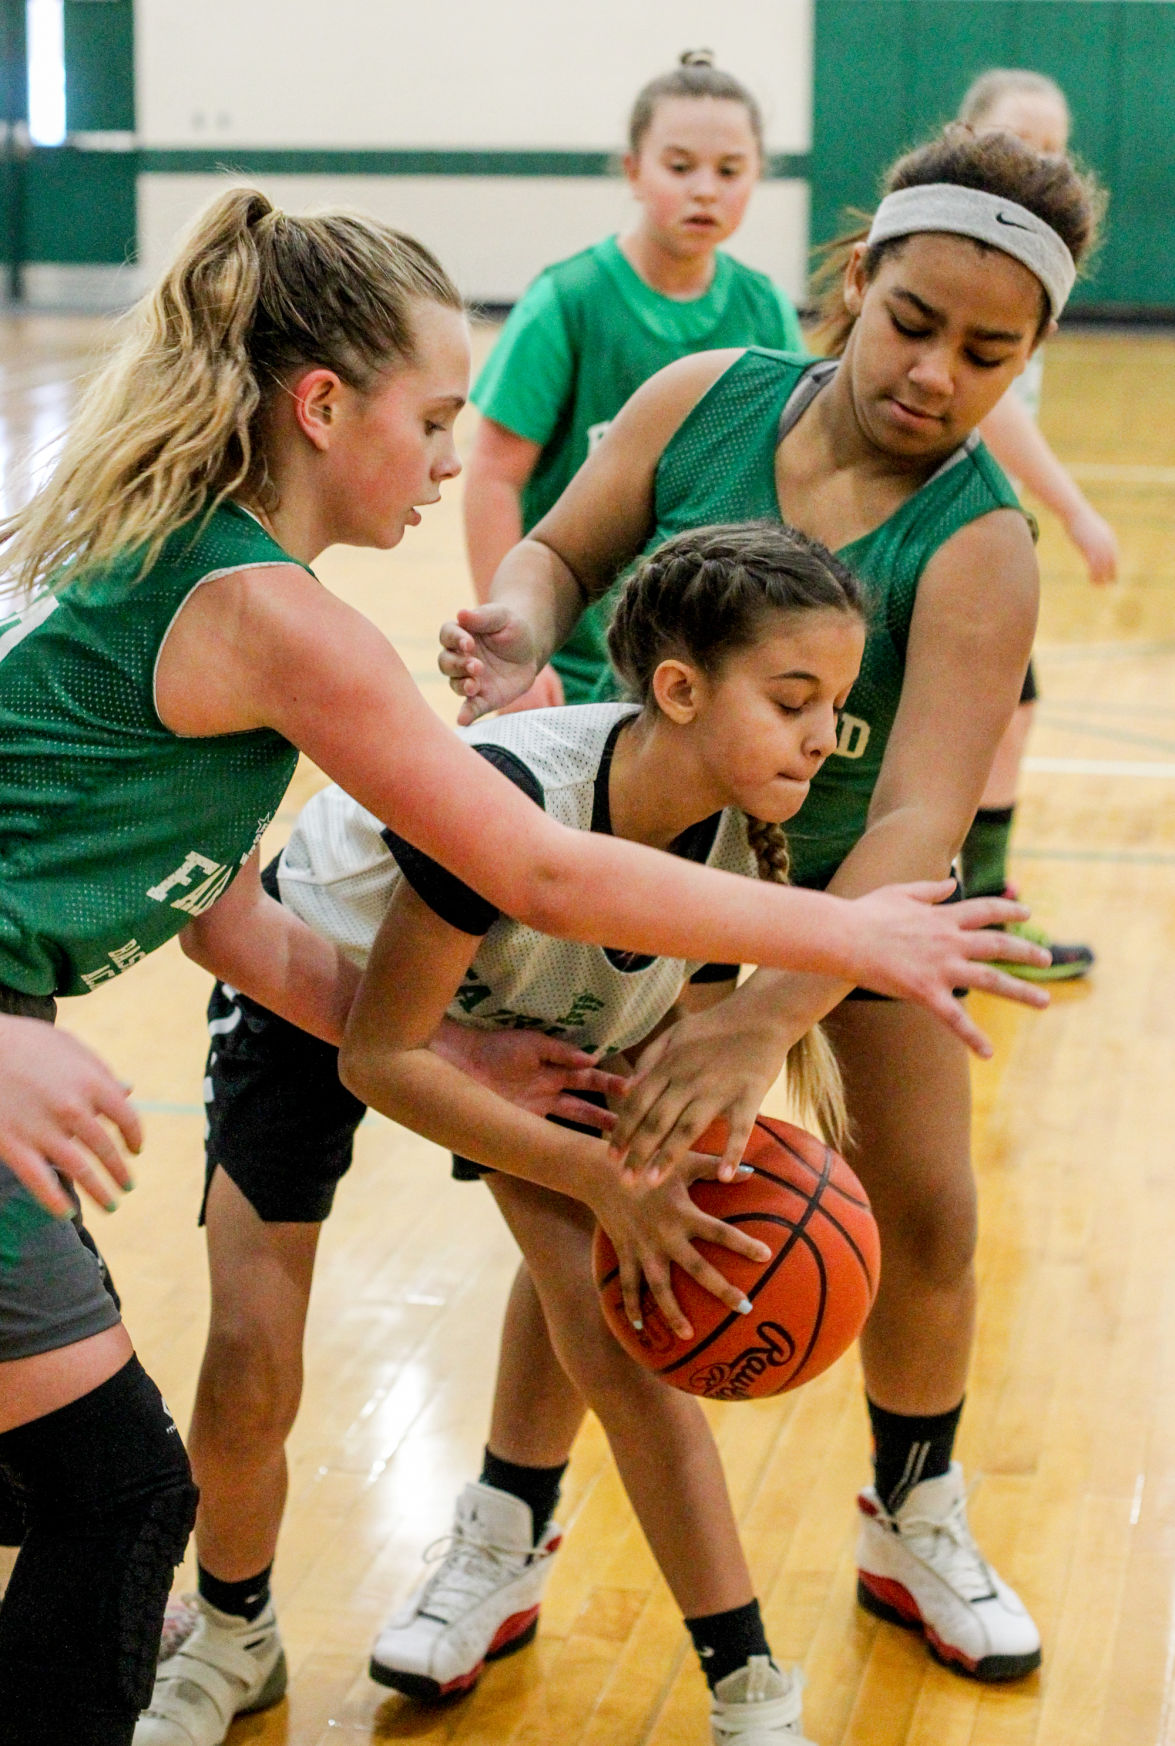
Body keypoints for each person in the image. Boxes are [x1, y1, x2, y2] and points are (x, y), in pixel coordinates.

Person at [0, 188, 1039, 1746]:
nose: (453, 461)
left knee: (83, 1485)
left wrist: (457, 1055)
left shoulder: (203, 569)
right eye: (432, 421)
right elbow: (533, 870)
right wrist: (848, 930)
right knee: (122, 1498)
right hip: (161, 1004)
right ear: (321, 406)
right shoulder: (280, 621)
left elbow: (217, 911)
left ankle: (701, 1650)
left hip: (307, 1001)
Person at [438, 122, 1103, 1700]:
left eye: (987, 355)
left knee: (926, 1211)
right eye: (912, 321)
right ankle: (502, 1526)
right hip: (648, 873)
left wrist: (764, 1015)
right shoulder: (702, 398)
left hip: (849, 897)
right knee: (594, 1196)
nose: (935, 373)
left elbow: (920, 821)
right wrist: (515, 619)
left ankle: (911, 1512)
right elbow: (558, 549)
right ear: (855, 278)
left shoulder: (979, 545)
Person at [142, 521, 868, 1746]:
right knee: (256, 1347)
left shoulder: (732, 851)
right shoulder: (514, 801)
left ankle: (750, 1690)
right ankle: (231, 1631)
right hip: (322, 986)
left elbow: (674, 1054)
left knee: (618, 1332)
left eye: (833, 709)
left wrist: (666, 1182)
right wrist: (595, 1172)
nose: (820, 736)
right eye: (792, 700)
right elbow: (380, 1055)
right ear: (678, 690)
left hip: (518, 1016)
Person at [464, 49, 805, 709]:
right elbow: (493, 476)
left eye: (729, 170)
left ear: (757, 175)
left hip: (711, 672)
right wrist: (512, 639)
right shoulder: (568, 301)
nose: (704, 189)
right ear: (633, 170)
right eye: (679, 167)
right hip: (571, 666)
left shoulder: (764, 310)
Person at [955, 68, 1118, 980]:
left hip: (976, 524)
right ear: (967, 140)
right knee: (983, 718)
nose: (1040, 163)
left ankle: (976, 902)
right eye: (1019, 142)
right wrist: (1074, 508)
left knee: (1006, 712)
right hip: (935, 521)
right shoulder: (972, 258)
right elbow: (991, 411)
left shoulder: (1028, 259)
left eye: (1055, 149)